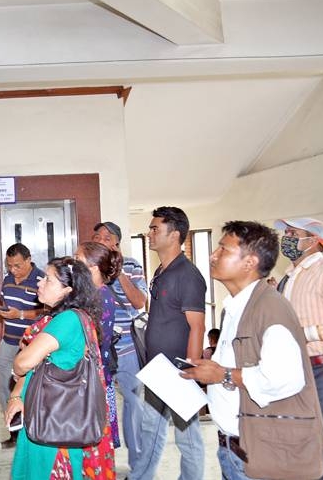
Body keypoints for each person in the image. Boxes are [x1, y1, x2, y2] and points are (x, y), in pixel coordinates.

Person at [181, 221, 323, 480]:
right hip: (235, 448)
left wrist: (223, 374)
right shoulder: (237, 307)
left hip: (259, 452)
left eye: (223, 249)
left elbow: (283, 380)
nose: (213, 255)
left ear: (250, 262)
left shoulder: (269, 308)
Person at [6, 256, 115, 480]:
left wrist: (18, 365)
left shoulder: (67, 320)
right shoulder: (73, 317)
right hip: (51, 414)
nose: (40, 282)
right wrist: (16, 395)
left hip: (54, 422)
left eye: (48, 279)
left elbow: (23, 363)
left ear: (67, 291)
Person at [130, 206, 206, 480]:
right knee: (150, 429)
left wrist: (190, 370)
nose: (149, 233)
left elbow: (197, 326)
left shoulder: (187, 274)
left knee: (188, 438)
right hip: (158, 368)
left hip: (178, 369)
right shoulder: (162, 271)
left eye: (155, 229)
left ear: (174, 235)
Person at [92, 220, 148, 470]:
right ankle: (102, 462)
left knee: (134, 404)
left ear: (117, 243)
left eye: (107, 237)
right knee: (99, 406)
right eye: (97, 236)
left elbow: (139, 302)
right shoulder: (88, 267)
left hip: (126, 349)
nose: (100, 240)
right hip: (96, 350)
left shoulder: (132, 265)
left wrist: (119, 270)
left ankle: (137, 464)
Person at [274, 217, 323, 480]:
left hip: (322, 370)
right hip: (295, 371)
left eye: (293, 233)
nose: (287, 238)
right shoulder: (288, 276)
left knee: (321, 441)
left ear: (314, 240)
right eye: (286, 233)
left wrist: (306, 334)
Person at [0, 243, 44, 448]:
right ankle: (15, 432)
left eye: (17, 265)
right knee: (4, 384)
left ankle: (33, 431)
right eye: (9, 265)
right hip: (9, 340)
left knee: (31, 386)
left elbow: (45, 312)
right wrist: (5, 320)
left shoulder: (41, 280)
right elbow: (4, 306)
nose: (13, 270)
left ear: (28, 260)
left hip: (32, 344)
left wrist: (21, 314)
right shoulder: (7, 280)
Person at [75, 241, 122, 450]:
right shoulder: (89, 294)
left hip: (94, 377)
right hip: (89, 374)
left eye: (78, 259)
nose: (73, 264)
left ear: (93, 267)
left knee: (95, 438)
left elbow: (92, 341)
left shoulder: (101, 297)